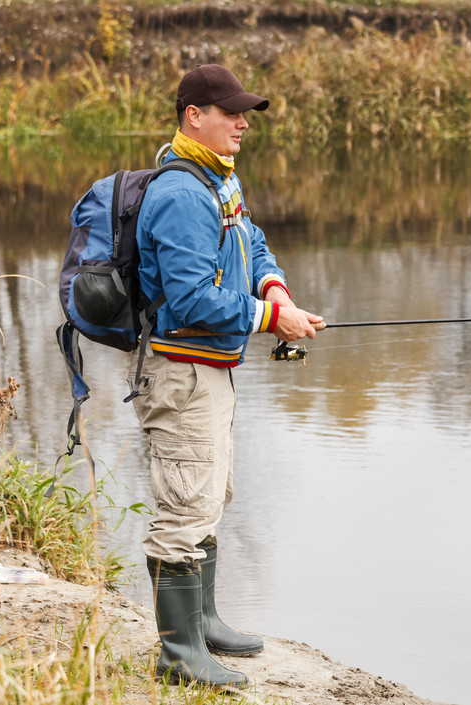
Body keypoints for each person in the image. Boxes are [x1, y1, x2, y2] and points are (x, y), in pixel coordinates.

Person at [129, 63, 322, 688]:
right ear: (194, 116)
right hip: (181, 373)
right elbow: (189, 303)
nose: (243, 122)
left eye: (246, 113)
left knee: (212, 495)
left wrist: (277, 293)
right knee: (184, 506)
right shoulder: (182, 194)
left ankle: (204, 623)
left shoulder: (219, 181)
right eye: (231, 112)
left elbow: (253, 241)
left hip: (209, 370)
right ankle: (179, 657)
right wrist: (272, 319)